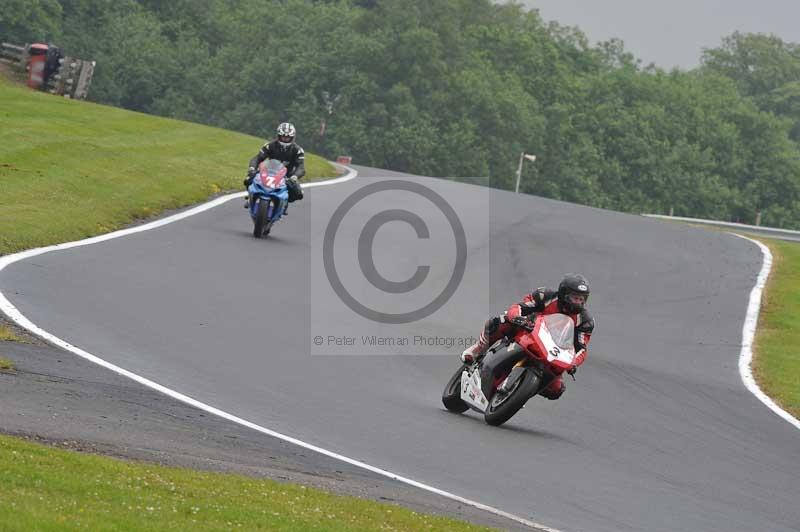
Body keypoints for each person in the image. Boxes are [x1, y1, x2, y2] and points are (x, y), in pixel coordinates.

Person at [460, 274, 594, 400]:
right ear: (564, 294)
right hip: (527, 331)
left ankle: (519, 393)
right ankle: (477, 349)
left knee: (557, 389)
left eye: (582, 299)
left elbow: (582, 349)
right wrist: (518, 318)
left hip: (553, 352)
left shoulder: (585, 321)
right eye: (575, 298)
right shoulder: (545, 296)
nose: (578, 303)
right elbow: (518, 307)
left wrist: (573, 363)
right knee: (498, 323)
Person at [244, 122, 305, 210]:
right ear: (279, 136)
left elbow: (301, 167)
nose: (285, 139)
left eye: (287, 137)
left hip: (287, 176)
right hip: (268, 171)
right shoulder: (269, 145)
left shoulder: (298, 150)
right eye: (283, 136)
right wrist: (252, 168)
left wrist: (295, 177)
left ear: (292, 137)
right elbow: (257, 158)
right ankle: (250, 197)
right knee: (248, 179)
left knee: (298, 194)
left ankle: (284, 202)